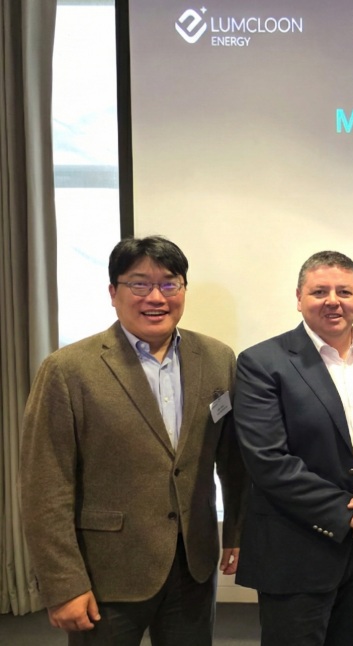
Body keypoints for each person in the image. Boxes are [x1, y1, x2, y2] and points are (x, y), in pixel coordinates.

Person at [20, 235, 247, 645]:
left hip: (192, 566)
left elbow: (233, 460)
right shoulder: (68, 369)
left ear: (183, 289)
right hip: (106, 573)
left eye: (169, 283)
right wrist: (63, 583)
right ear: (113, 292)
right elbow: (45, 486)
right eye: (139, 284)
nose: (155, 297)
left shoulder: (217, 359)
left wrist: (235, 531)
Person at [233, 250, 353, 646]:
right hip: (297, 549)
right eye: (319, 291)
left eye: (344, 291)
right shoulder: (262, 362)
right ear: (299, 298)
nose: (333, 301)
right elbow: (268, 461)